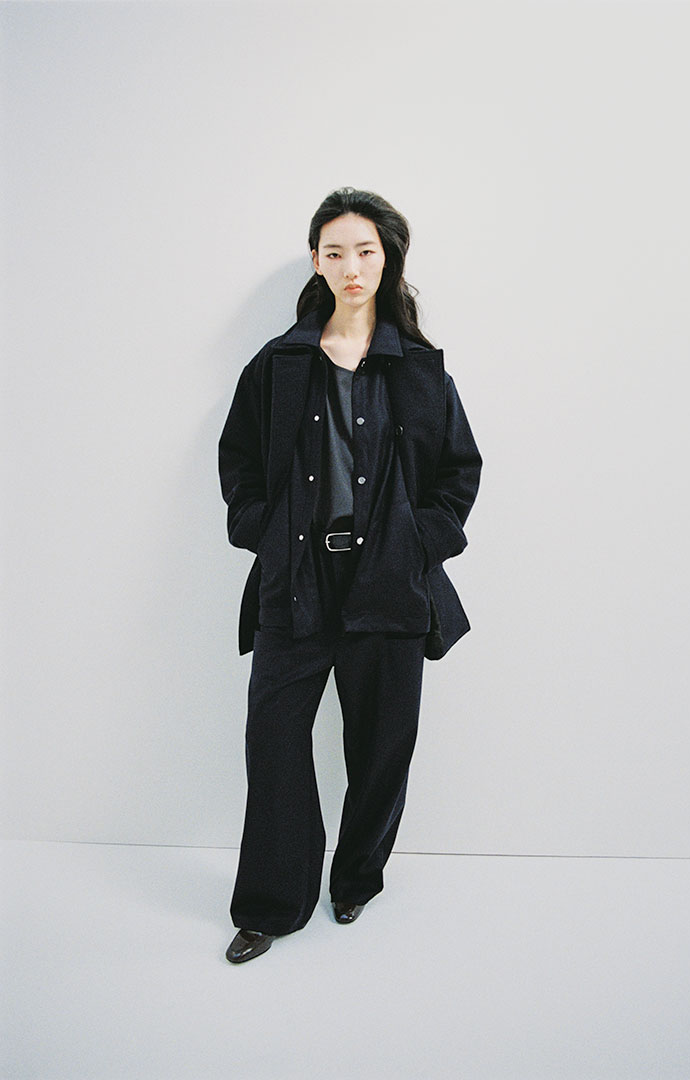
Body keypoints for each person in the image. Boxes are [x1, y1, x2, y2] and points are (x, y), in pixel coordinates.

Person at [218, 186, 482, 963]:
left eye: (365, 251)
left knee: (381, 747)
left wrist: (417, 543)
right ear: (316, 262)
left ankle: (357, 879)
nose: (351, 266)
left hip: (390, 585)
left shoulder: (422, 371)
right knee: (274, 741)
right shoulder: (277, 366)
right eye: (335, 252)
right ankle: (272, 903)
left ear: (387, 258)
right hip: (296, 581)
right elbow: (239, 462)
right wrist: (263, 534)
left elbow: (460, 472)